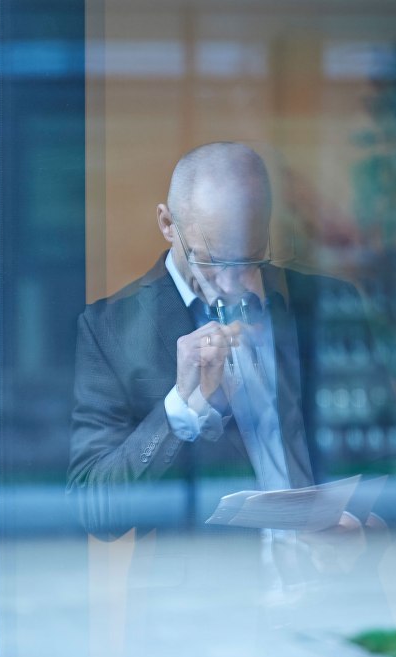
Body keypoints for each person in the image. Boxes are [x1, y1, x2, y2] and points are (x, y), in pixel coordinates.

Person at [68, 142, 374, 544]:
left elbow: (383, 449)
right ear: (166, 223)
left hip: (334, 588)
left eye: (250, 257)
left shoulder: (327, 302)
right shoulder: (110, 329)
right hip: (209, 598)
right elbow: (95, 510)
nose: (232, 283)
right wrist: (178, 408)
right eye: (211, 260)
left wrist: (368, 532)